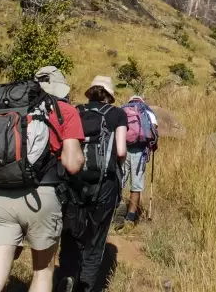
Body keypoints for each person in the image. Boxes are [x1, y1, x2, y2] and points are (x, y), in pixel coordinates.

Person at [0, 66, 84, 292]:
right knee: (42, 274)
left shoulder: (8, 110)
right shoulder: (66, 110)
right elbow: (72, 164)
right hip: (41, 198)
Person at [56, 76, 127, 292]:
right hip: (105, 184)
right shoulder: (117, 114)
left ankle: (68, 275)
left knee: (72, 234)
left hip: (75, 182)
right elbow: (122, 151)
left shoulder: (76, 110)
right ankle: (85, 286)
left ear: (91, 92)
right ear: (109, 94)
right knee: (96, 239)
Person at [117, 94, 158, 229]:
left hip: (122, 150)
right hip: (140, 152)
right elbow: (154, 133)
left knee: (119, 182)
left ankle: (117, 210)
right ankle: (130, 217)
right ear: (141, 101)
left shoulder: (122, 109)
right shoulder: (147, 112)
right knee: (136, 186)